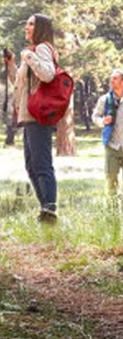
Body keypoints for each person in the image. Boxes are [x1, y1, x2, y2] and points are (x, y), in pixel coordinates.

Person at [7, 14, 59, 221]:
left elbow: (48, 74)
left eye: (31, 24)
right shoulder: (33, 51)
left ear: (41, 28)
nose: (26, 28)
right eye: (26, 23)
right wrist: (11, 64)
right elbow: (19, 83)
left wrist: (29, 56)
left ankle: (50, 208)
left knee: (41, 163)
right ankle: (45, 208)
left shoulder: (42, 49)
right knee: (31, 164)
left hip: (39, 115)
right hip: (29, 115)